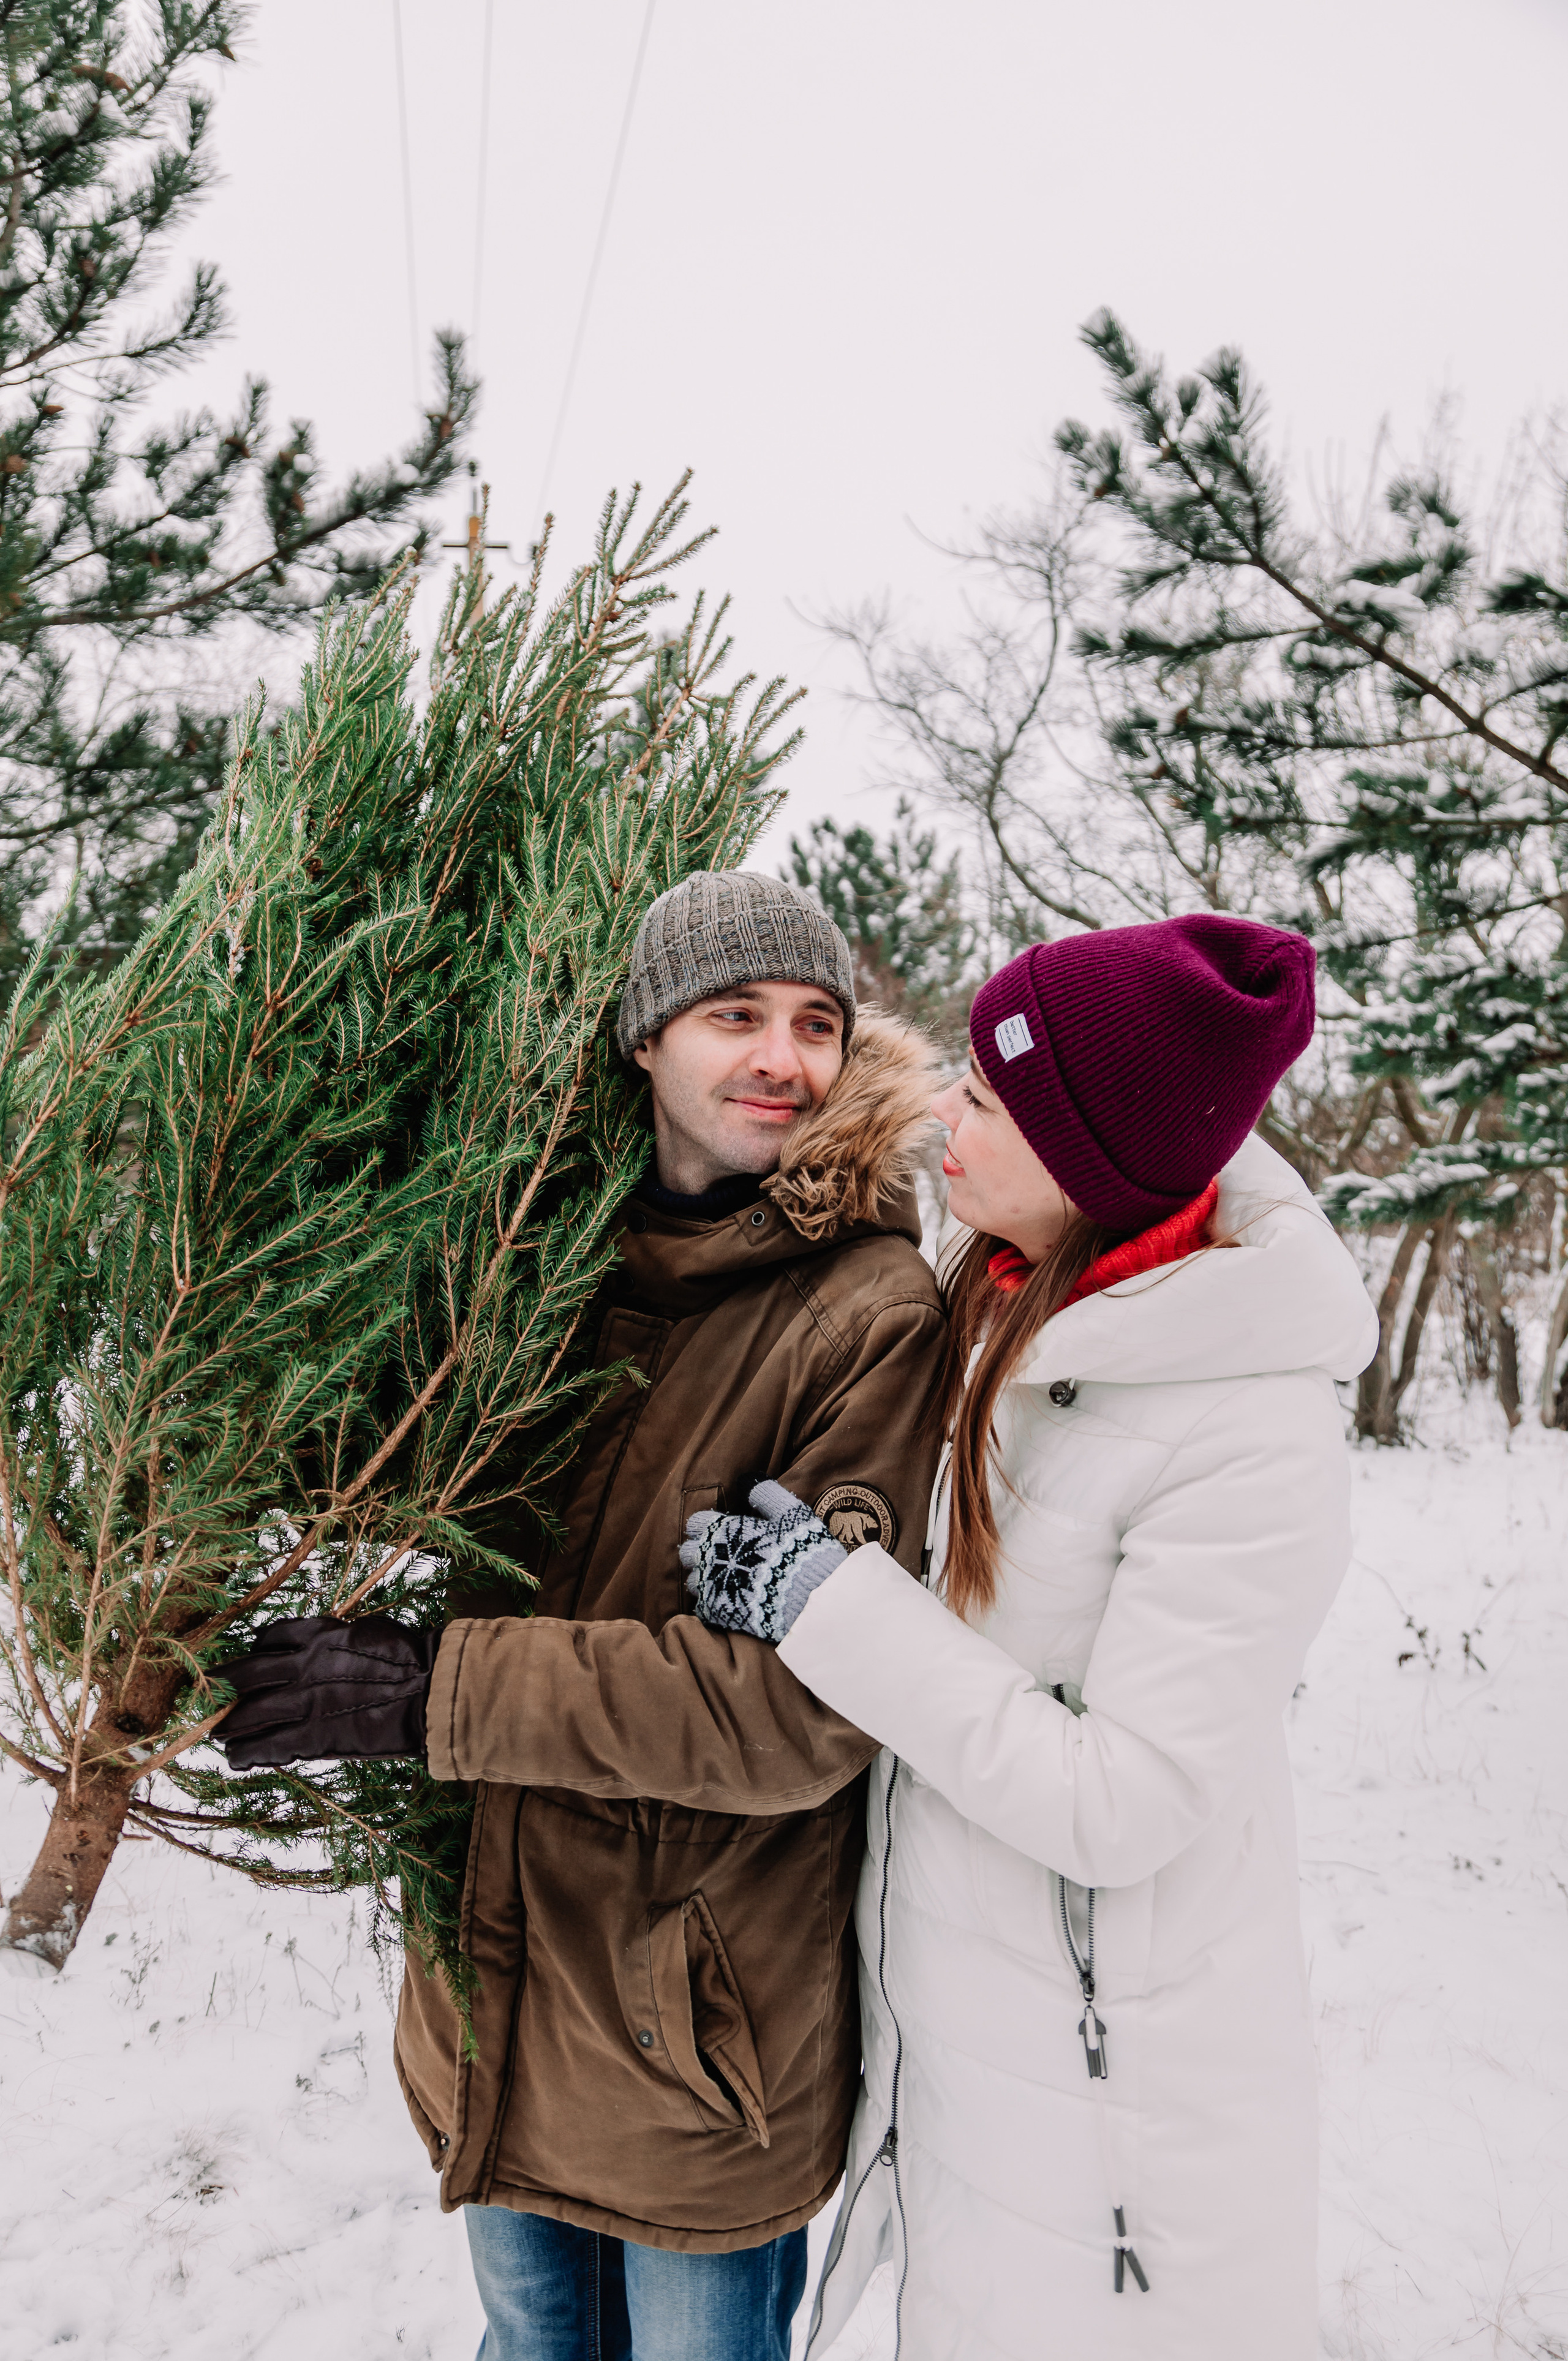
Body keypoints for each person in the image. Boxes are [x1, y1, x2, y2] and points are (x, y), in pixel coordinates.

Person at [216, 870, 948, 2361]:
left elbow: (797, 1710)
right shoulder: (526, 1263)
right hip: (498, 1979)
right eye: (731, 1013)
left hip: (698, 2024)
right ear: (641, 1039)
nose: (782, 1057)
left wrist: (430, 1690)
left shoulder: (867, 1309)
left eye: (814, 1021)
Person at [682, 913, 1380, 2361]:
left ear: (1090, 1155)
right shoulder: (1013, 1278)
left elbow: (1117, 1801)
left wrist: (826, 1602)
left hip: (1119, 2122)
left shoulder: (1247, 1430)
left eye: (987, 1101)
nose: (944, 1107)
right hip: (975, 2044)